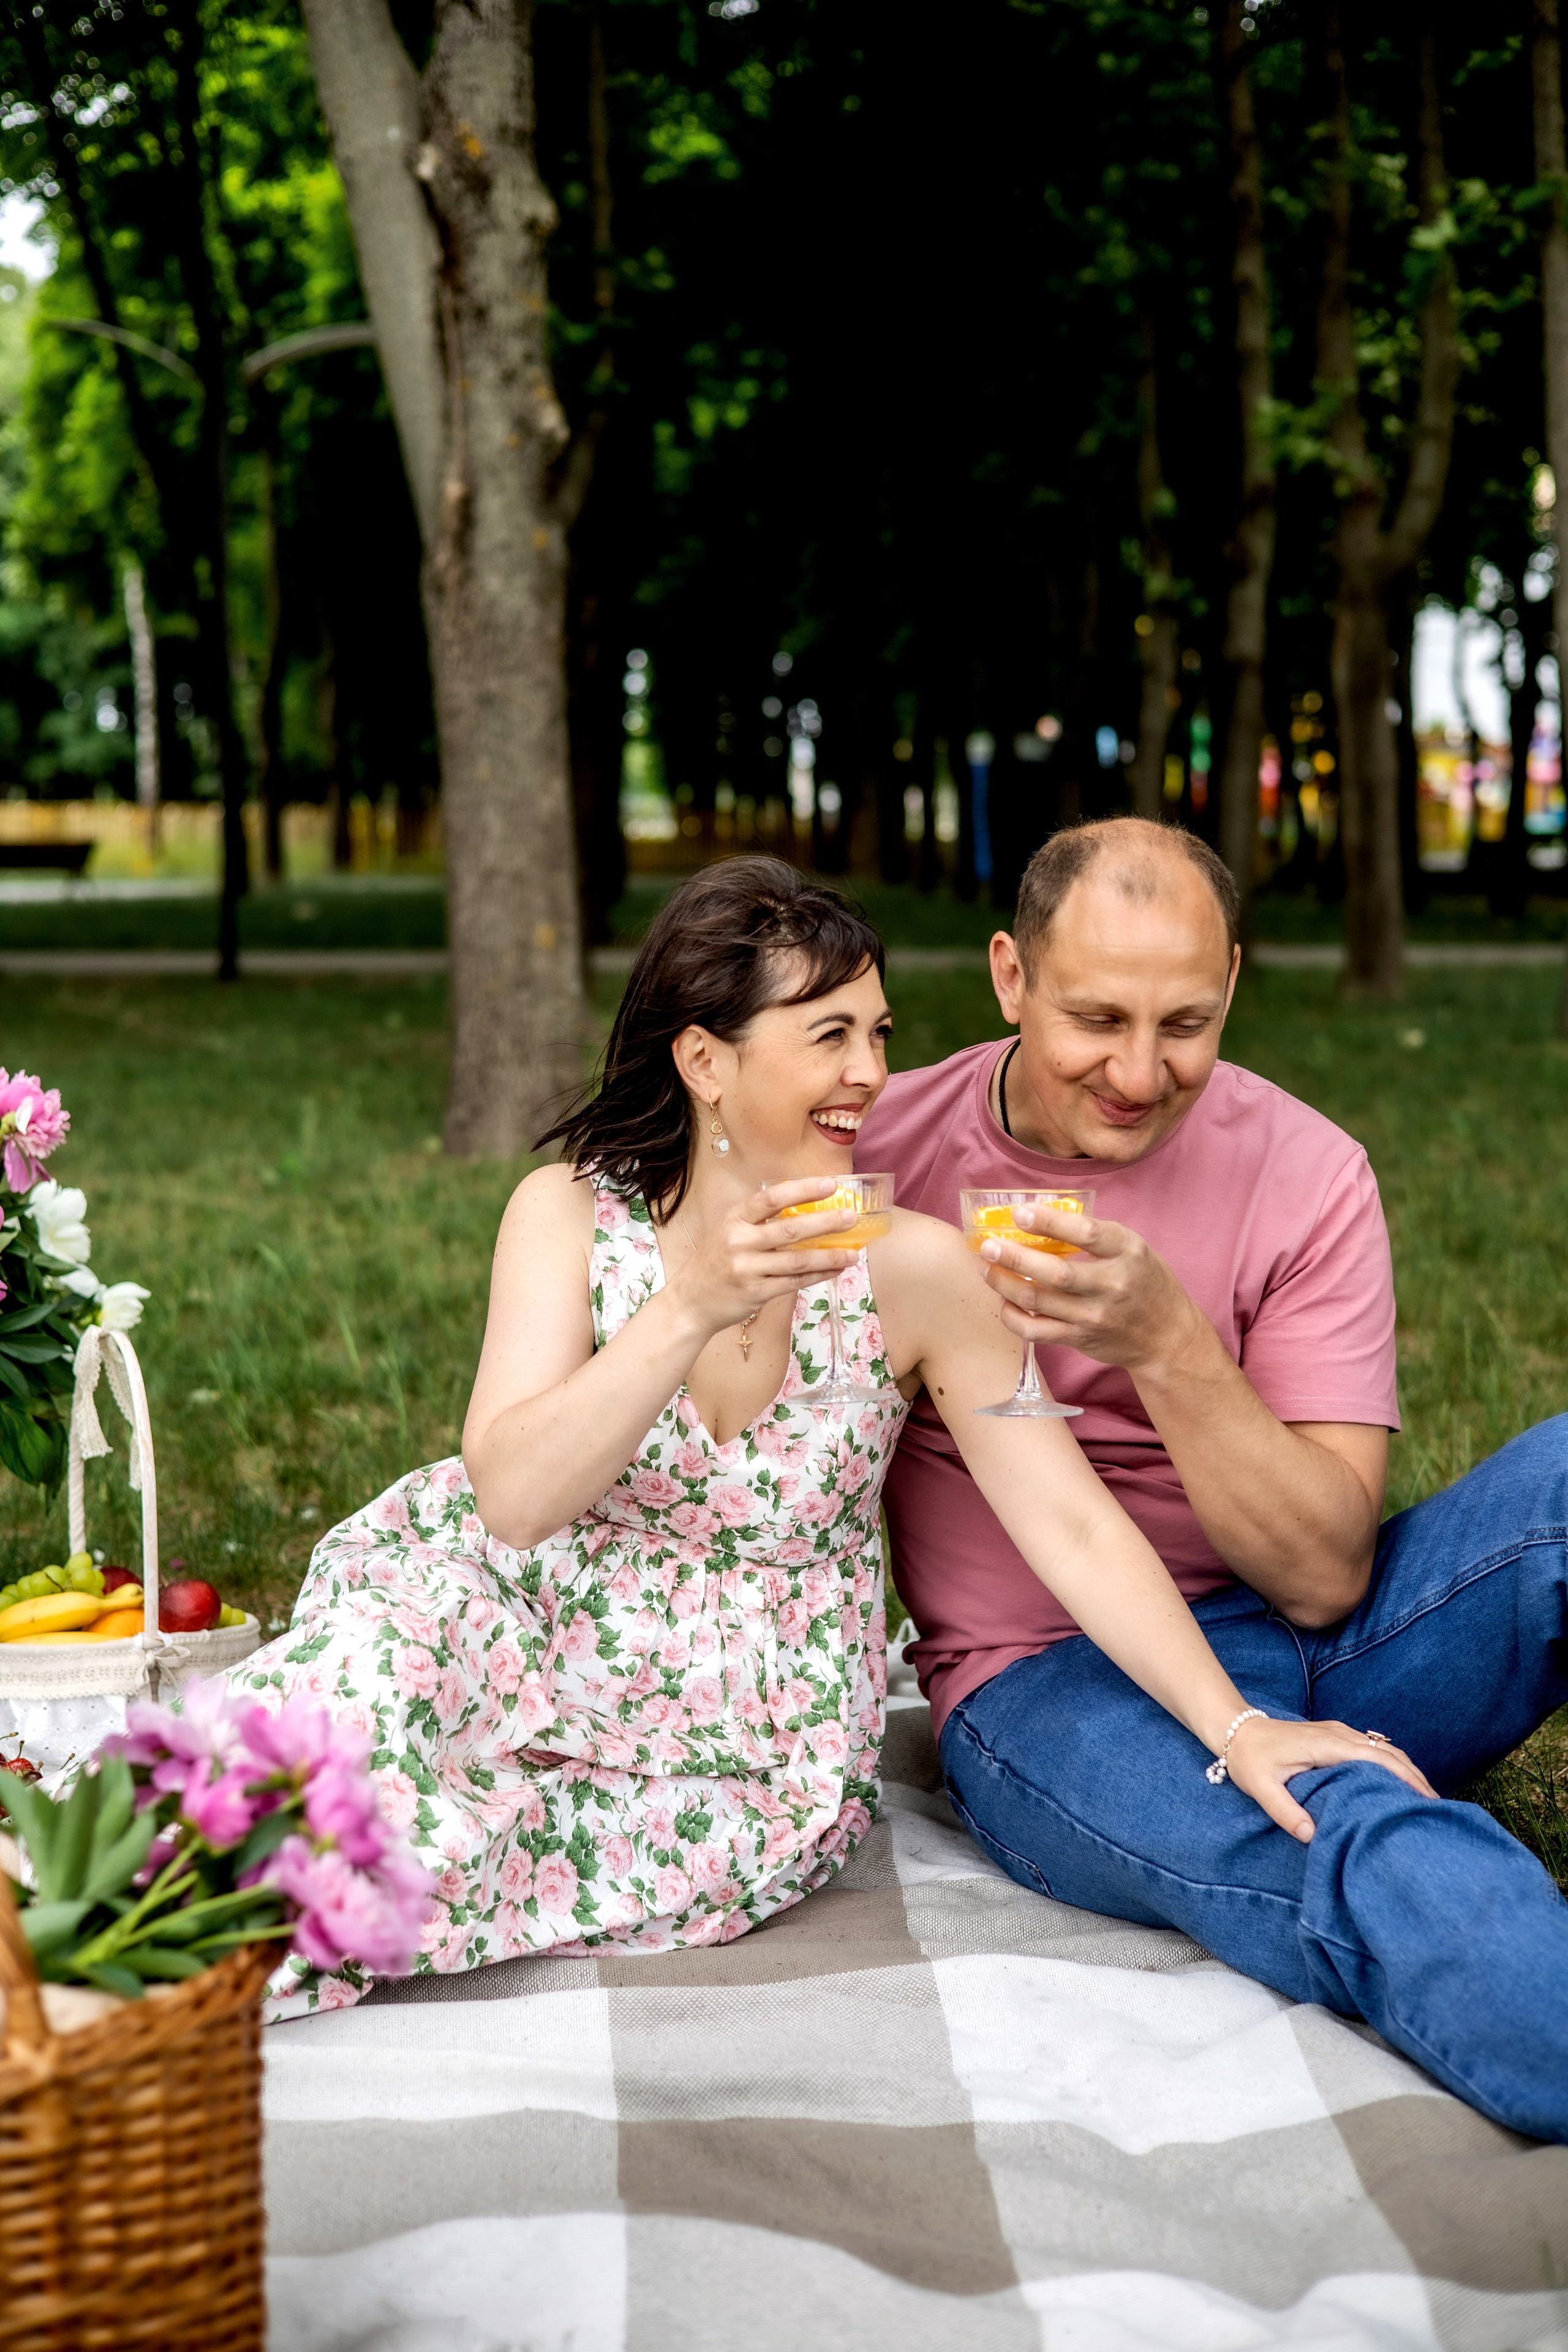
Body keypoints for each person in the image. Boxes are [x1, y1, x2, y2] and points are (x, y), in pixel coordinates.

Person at [238, 854, 1426, 2019]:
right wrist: (688, 1306)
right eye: (828, 1036)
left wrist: (1239, 1727)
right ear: (704, 1059)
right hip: (501, 1616)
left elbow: (1064, 1518)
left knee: (420, 1861)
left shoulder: (919, 1272)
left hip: (740, 1727)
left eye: (879, 1032)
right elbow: (512, 1502)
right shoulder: (565, 1215)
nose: (870, 1075)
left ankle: (181, 1969)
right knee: (299, 1761)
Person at [857, 814, 1568, 2143]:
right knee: (1338, 1826)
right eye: (1094, 1019)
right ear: (1008, 978)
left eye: (1184, 1021)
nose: (1138, 1071)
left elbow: (1319, 1577)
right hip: (1052, 1679)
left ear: (1234, 980)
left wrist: (1166, 1345)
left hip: (1318, 1633)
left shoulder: (1304, 1173)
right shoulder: (880, 1146)